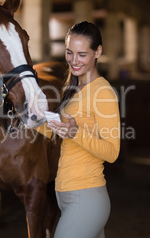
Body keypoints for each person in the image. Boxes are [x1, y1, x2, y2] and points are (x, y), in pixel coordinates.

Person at [37, 21, 121, 238]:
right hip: (67, 196)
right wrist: (31, 119)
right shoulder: (72, 88)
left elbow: (112, 153)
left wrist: (76, 133)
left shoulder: (103, 93)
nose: (74, 61)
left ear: (97, 52)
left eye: (82, 54)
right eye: (69, 53)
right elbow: (58, 131)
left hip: (86, 198)